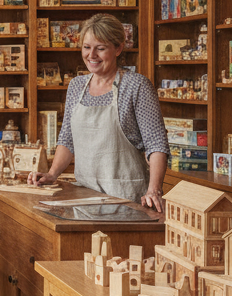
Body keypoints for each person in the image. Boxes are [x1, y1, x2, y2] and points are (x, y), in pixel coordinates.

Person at [28, 13, 168, 210]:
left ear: (118, 48)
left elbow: (157, 144)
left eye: (100, 49)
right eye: (86, 47)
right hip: (84, 195)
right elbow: (67, 139)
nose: (91, 55)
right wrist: (52, 174)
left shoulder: (136, 86)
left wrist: (154, 190)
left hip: (127, 199)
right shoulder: (76, 86)